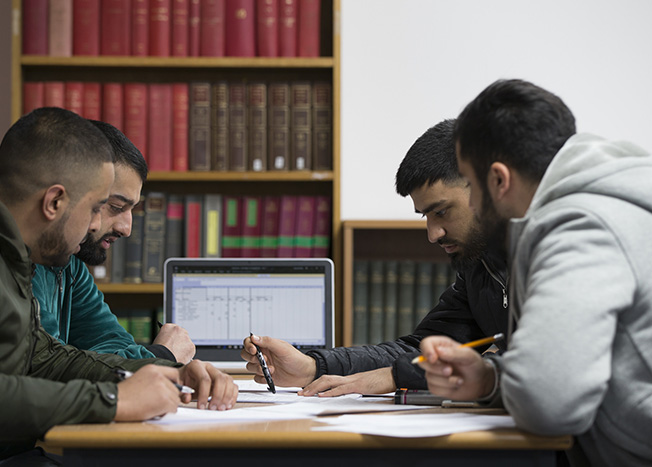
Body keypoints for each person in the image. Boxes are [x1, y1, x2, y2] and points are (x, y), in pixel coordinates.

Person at [0, 108, 237, 467]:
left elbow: (43, 357)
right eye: (97, 208)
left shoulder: (5, 249)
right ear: (54, 202)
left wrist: (164, 373)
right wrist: (114, 400)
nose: (96, 226)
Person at [418, 79, 652, 467]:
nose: (474, 203)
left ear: (498, 179)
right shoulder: (614, 203)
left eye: (473, 187)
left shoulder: (579, 227)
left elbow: (549, 402)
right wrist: (489, 378)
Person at [241, 119, 509, 396]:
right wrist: (313, 367)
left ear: (492, 185)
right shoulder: (480, 265)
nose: (432, 234)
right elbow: (420, 350)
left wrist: (399, 375)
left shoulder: (548, 254)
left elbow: (540, 366)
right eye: (425, 216)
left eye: (440, 211)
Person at [32, 120, 195, 362]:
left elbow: (111, 342)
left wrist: (149, 360)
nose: (126, 229)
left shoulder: (69, 263)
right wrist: (159, 357)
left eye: (132, 210)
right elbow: (49, 369)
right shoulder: (23, 264)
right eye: (114, 206)